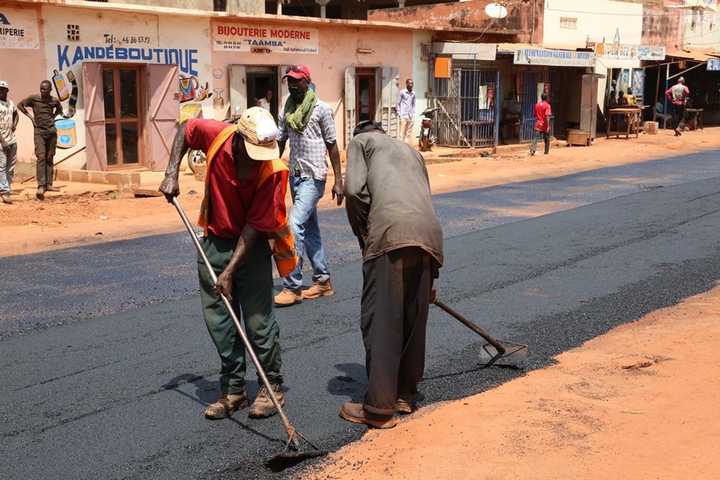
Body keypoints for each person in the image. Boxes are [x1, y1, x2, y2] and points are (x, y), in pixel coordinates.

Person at [159, 107, 298, 420]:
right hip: (215, 238)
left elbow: (255, 225)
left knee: (258, 322)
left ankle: (271, 385)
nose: (256, 161)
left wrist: (229, 271)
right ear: (238, 140)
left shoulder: (273, 170)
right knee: (221, 321)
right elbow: (184, 127)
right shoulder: (218, 135)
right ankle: (234, 389)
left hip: (252, 246)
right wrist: (171, 172)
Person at [340, 120, 443, 429]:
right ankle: (405, 395)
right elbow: (421, 197)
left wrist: (364, 233)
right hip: (429, 234)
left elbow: (354, 192)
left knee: (382, 320)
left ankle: (378, 409)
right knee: (414, 317)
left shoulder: (361, 143)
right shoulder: (411, 151)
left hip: (389, 232)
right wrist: (431, 279)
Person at [274, 65, 344, 307]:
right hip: (295, 176)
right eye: (289, 82)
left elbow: (332, 144)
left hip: (314, 176)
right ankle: (323, 281)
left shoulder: (322, 109)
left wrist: (339, 179)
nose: (292, 86)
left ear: (307, 81)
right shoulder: (286, 110)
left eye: (296, 81)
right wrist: (270, 169)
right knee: (310, 228)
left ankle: (292, 285)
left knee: (294, 224)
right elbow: (280, 141)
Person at [18, 80, 64, 200]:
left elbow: (59, 109)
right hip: (39, 132)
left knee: (50, 157)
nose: (42, 91)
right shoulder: (34, 98)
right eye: (41, 89)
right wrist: (31, 118)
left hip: (51, 132)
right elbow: (20, 105)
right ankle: (41, 185)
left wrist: (53, 117)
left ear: (50, 90)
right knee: (41, 157)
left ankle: (49, 184)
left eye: (45, 89)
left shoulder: (54, 100)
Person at [0, 80, 19, 205]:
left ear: (7, 90)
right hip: (2, 141)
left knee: (11, 166)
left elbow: (16, 114)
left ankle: (7, 187)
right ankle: (5, 191)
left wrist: (14, 125)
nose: (1, 91)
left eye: (3, 89)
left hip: (12, 139)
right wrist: (3, 141)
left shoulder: (10, 103)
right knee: (2, 166)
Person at [397, 79, 416, 144]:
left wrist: (413, 113)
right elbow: (398, 103)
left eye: (412, 84)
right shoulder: (402, 92)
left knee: (408, 133)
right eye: (410, 83)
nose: (411, 85)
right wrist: (399, 113)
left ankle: (406, 146)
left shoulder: (413, 93)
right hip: (403, 115)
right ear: (406, 84)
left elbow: (413, 104)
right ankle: (400, 146)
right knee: (401, 133)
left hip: (410, 116)